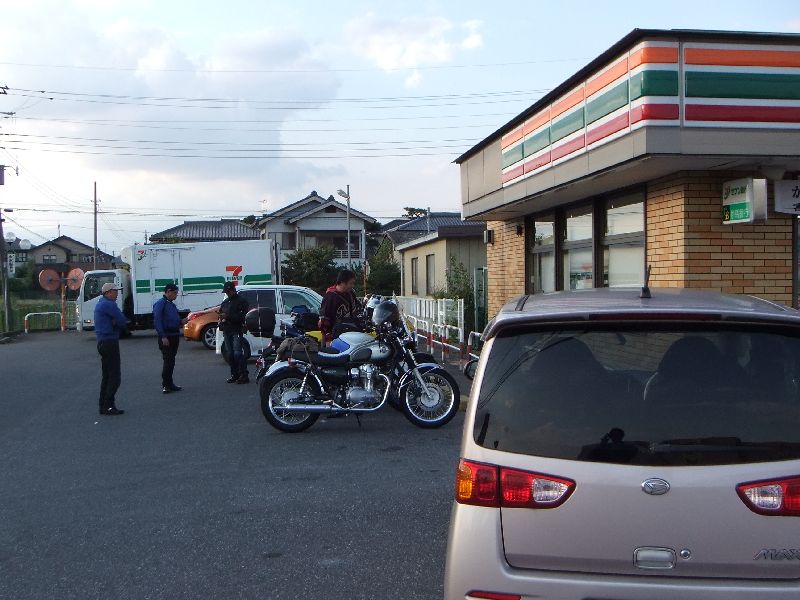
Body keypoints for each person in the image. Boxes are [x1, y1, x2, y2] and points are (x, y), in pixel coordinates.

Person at [94, 282, 127, 416]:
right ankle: (109, 405)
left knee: (106, 376)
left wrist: (115, 321)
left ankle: (103, 405)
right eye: (115, 291)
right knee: (114, 377)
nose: (117, 293)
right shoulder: (109, 305)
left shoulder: (101, 304)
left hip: (102, 342)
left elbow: (118, 320)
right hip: (110, 342)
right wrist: (115, 322)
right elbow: (122, 320)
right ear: (108, 292)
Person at [153, 283, 188, 394]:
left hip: (174, 335)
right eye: (175, 293)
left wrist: (182, 321)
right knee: (168, 361)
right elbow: (157, 320)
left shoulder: (171, 304)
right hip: (167, 337)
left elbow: (173, 320)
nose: (176, 295)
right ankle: (166, 385)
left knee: (171, 361)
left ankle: (170, 383)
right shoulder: (160, 304)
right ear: (168, 292)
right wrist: (163, 336)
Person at [318, 269, 362, 344]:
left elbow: (357, 309)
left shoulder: (351, 294)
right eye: (351, 283)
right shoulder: (330, 297)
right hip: (335, 337)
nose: (352, 286)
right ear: (342, 282)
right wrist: (328, 340)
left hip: (350, 335)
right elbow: (324, 320)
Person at [218, 281, 250, 384]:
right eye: (226, 292)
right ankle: (234, 374)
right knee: (230, 354)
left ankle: (244, 375)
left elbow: (243, 316)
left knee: (237, 353)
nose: (228, 293)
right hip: (227, 329)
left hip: (237, 330)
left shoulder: (242, 301)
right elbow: (220, 313)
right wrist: (221, 320)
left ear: (233, 290)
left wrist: (228, 316)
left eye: (229, 291)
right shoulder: (225, 302)